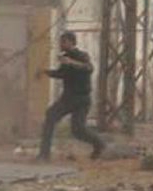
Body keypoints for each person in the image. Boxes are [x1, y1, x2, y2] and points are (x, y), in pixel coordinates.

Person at [38, 31, 104, 161]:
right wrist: (45, 72)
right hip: (70, 98)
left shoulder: (81, 55)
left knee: (70, 126)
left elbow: (89, 68)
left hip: (80, 98)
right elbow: (61, 74)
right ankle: (44, 154)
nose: (61, 44)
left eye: (64, 42)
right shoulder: (65, 57)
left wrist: (71, 62)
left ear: (72, 42)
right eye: (61, 42)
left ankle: (99, 145)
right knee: (61, 122)